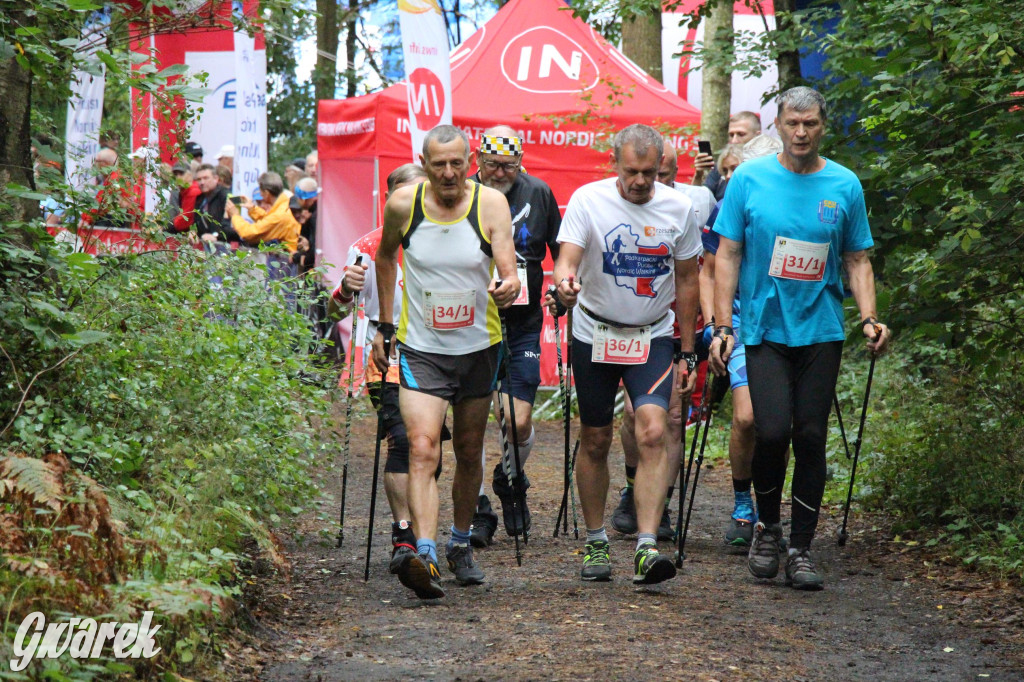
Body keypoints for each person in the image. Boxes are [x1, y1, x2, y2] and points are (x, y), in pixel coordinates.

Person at [710, 86, 891, 590]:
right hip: (765, 328)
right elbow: (726, 255)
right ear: (778, 123)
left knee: (810, 435)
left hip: (821, 329)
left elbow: (857, 258)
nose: (801, 132)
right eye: (793, 123)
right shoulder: (748, 179)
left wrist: (870, 317)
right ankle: (768, 528)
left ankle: (802, 548)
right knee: (770, 432)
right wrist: (723, 326)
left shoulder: (844, 184)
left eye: (810, 124)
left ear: (822, 126)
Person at [547, 124, 701, 585]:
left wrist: (688, 352)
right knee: (595, 439)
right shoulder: (588, 199)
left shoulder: (680, 207)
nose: (639, 181)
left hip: (652, 334)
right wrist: (565, 284)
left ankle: (647, 546)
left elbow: (689, 279)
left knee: (653, 430)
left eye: (649, 173)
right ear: (615, 162)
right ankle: (596, 539)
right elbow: (567, 258)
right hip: (593, 331)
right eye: (632, 171)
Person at [372, 125, 520, 599]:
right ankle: (426, 553)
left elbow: (508, 267)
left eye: (458, 162)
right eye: (440, 165)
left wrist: (509, 284)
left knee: (470, 452)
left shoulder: (490, 203)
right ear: (425, 162)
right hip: (423, 348)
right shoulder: (404, 205)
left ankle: (460, 545)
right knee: (421, 446)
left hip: (478, 348)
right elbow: (384, 257)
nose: (450, 172)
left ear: (469, 159)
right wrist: (384, 323)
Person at [333, 164, 446, 578]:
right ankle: (403, 537)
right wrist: (346, 287)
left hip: (438, 357)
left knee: (429, 452)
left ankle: (424, 534)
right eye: (407, 197)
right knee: (404, 441)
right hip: (389, 360)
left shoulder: (444, 237)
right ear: (391, 201)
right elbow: (336, 308)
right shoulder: (367, 244)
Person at [613, 144, 716, 542]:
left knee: (673, 418)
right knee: (635, 415)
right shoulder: (621, 202)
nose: (656, 181)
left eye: (664, 173)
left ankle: (662, 502)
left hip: (680, 325)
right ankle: (632, 484)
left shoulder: (695, 202)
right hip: (639, 322)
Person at [464, 125, 561, 547]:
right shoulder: (463, 192)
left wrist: (563, 291)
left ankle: (510, 478)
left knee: (516, 419)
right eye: (492, 165)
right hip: (469, 319)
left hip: (521, 321)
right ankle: (480, 506)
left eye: (509, 165)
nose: (500, 172)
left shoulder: (537, 193)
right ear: (478, 161)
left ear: (521, 163)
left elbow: (562, 246)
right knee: (469, 425)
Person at [697, 133, 783, 548]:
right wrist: (718, 325)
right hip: (742, 327)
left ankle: (772, 511)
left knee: (778, 425)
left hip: (788, 328)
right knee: (748, 418)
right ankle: (742, 504)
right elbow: (708, 270)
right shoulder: (731, 204)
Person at [224, 171, 300, 253]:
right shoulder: (284, 205)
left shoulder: (280, 216)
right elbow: (269, 220)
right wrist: (253, 209)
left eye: (260, 191)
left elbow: (248, 233)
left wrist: (235, 215)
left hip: (292, 260)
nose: (260, 194)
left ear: (266, 193)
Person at [694, 112, 761, 199]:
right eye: (731, 135)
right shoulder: (723, 165)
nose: (734, 140)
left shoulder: (767, 166)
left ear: (757, 136)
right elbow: (699, 200)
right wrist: (698, 175)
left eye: (741, 134)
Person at [193, 163, 238, 243]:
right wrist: (193, 232)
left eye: (206, 178)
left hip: (227, 248)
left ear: (216, 179)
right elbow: (196, 223)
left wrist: (216, 236)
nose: (202, 182)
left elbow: (233, 227)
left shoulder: (228, 196)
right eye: (199, 179)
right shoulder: (199, 199)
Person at [291, 177, 319, 275]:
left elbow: (313, 254)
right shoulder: (318, 211)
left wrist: (298, 257)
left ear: (303, 199)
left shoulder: (315, 217)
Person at [168, 160, 202, 234]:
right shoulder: (183, 191)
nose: (178, 177)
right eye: (176, 174)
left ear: (190, 175)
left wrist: (165, 227)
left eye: (181, 174)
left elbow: (185, 219)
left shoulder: (193, 191)